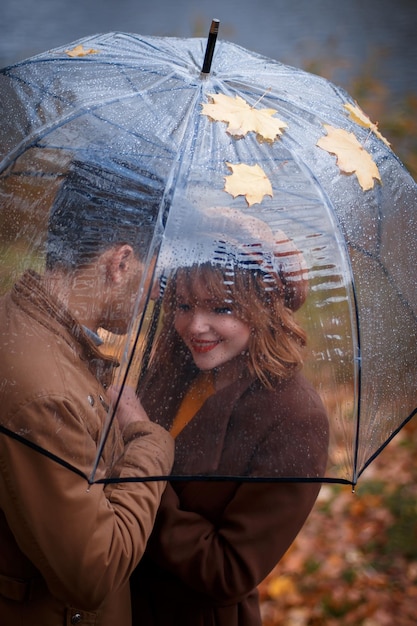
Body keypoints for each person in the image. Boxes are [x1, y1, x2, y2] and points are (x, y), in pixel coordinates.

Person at [131, 207, 329, 626]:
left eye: (220, 308)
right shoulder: (173, 369)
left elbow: (230, 570)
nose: (195, 326)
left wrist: (140, 477)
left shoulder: (294, 416)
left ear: (262, 310)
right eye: (183, 305)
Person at [0, 158, 174, 626]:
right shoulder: (47, 395)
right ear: (120, 264)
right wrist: (151, 444)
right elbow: (94, 575)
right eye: (152, 270)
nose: (155, 292)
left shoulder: (23, 322)